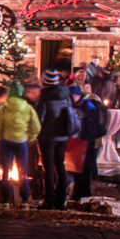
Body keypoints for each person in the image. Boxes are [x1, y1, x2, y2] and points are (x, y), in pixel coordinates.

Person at [0, 82, 40, 209]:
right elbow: (36, 126)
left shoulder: (3, 108)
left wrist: (0, 136)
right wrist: (30, 138)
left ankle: (5, 200)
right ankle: (24, 200)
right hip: (22, 142)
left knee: (6, 171)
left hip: (7, 142)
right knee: (23, 171)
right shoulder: (28, 108)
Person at [36, 68, 73, 210]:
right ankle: (61, 200)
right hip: (63, 135)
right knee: (60, 165)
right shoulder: (65, 93)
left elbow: (40, 118)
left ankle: (48, 200)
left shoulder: (45, 96)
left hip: (47, 136)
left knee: (48, 168)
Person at [70, 84, 106, 200]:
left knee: (84, 168)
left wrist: (87, 139)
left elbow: (92, 124)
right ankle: (78, 192)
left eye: (72, 96)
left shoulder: (88, 106)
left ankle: (83, 193)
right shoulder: (81, 105)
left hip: (85, 142)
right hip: (77, 141)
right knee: (77, 168)